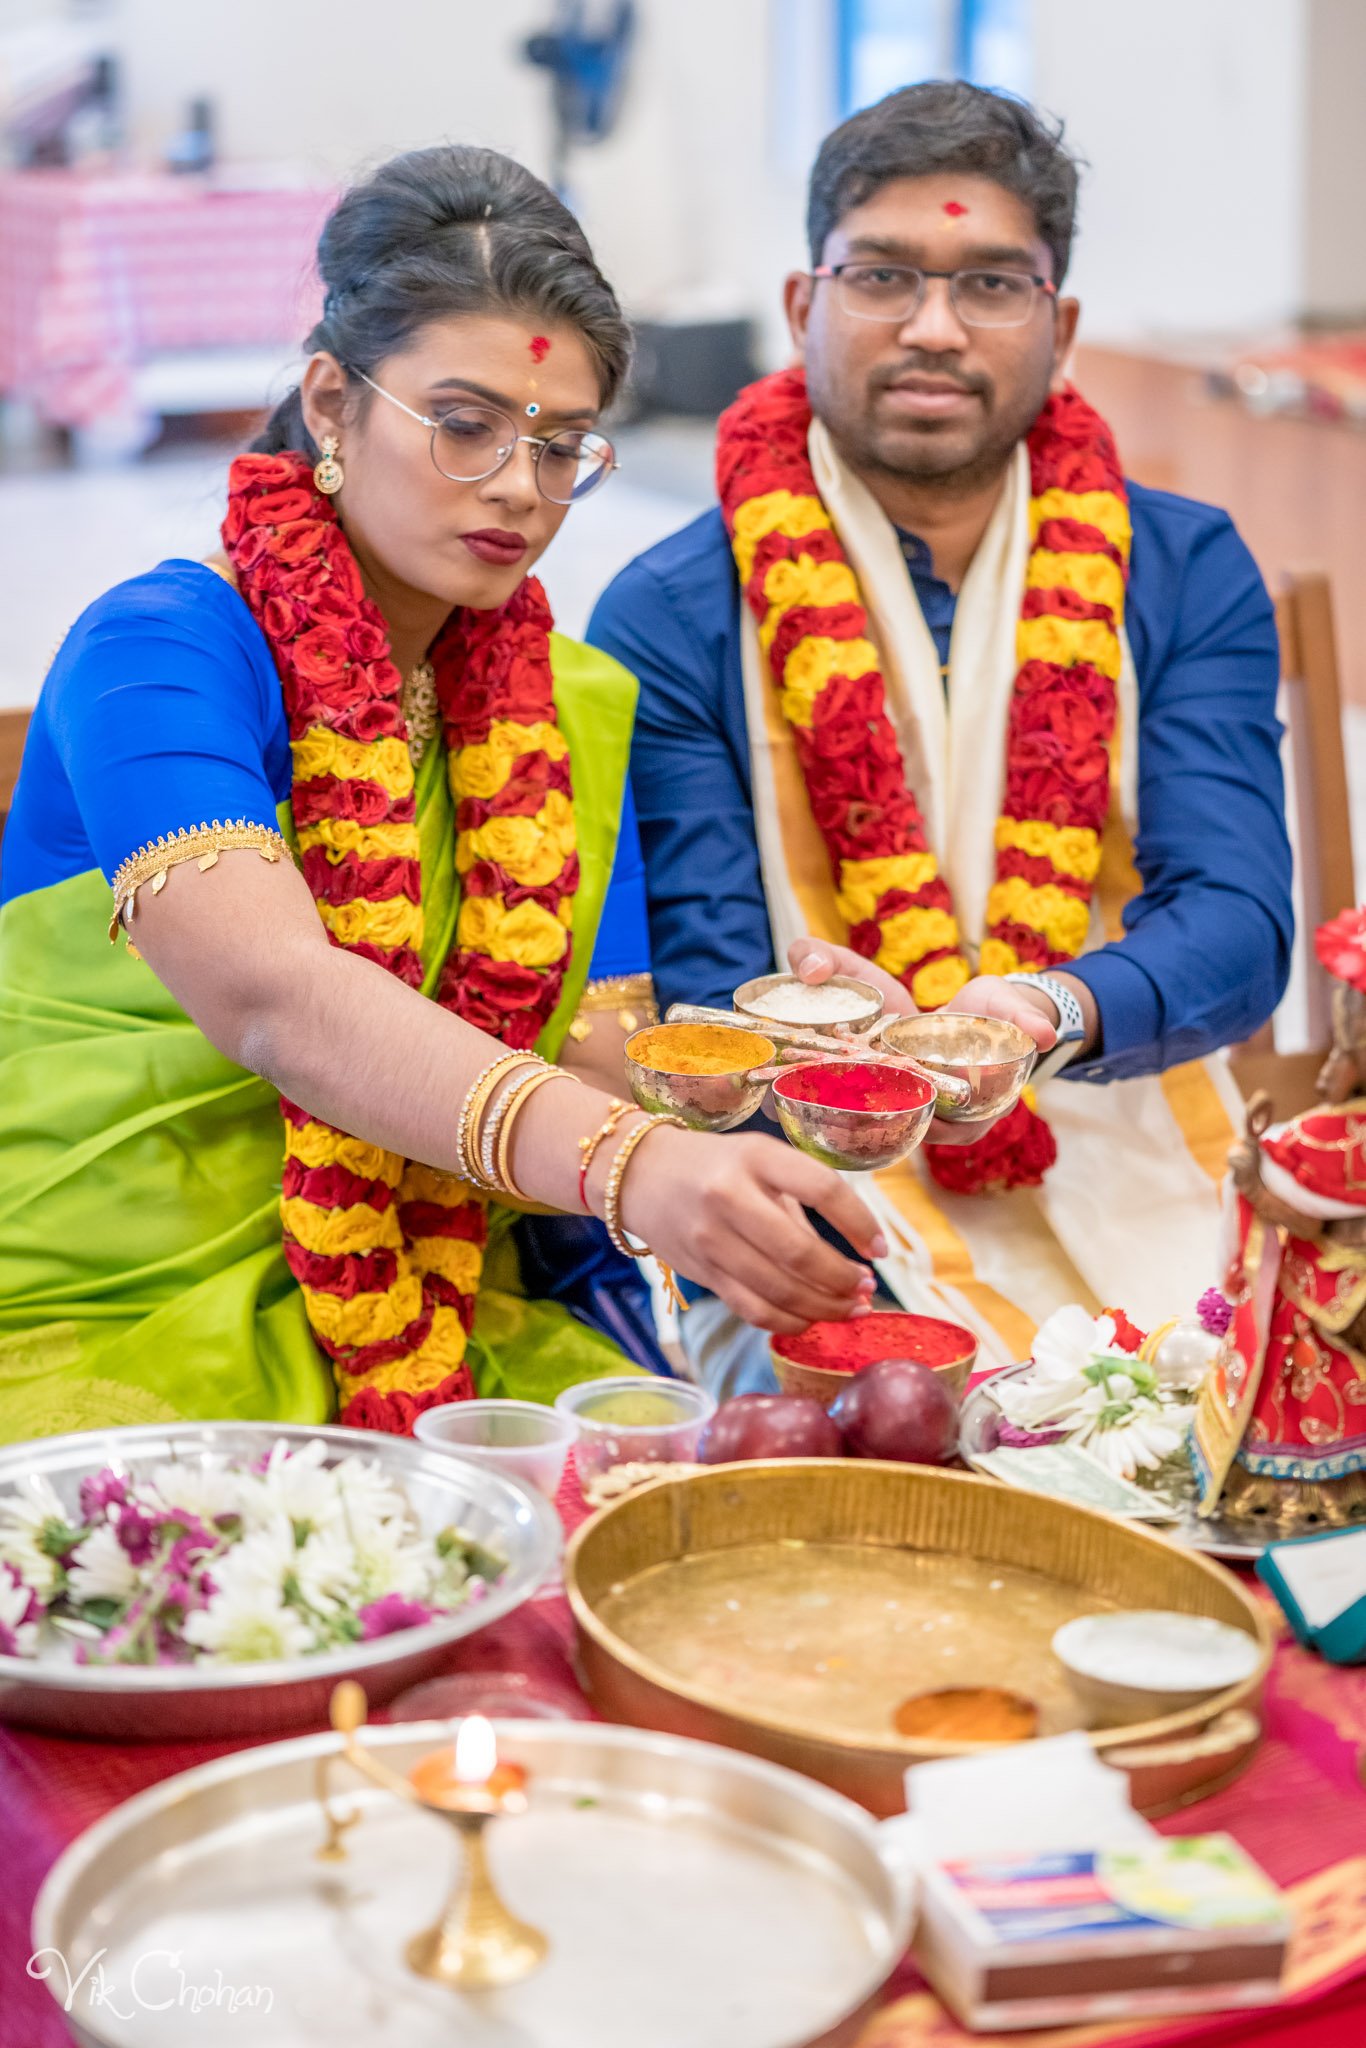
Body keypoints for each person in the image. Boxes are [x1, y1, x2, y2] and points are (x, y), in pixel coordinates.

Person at [0, 145, 885, 1445]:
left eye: (561, 445)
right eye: (463, 425)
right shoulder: (163, 647)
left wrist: (786, 1060)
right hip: (125, 1273)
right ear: (329, 403)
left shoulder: (565, 709)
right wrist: (637, 1170)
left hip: (456, 1270)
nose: (519, 488)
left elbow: (592, 1052)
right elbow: (276, 1000)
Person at [588, 83, 1293, 1397]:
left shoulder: (1181, 570)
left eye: (988, 284)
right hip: (824, 1198)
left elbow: (1239, 927)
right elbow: (703, 978)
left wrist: (1035, 1008)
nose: (929, 327)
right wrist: (825, 1043)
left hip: (1133, 1144)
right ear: (803, 308)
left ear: (1059, 324)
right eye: (882, 276)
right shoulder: (676, 613)